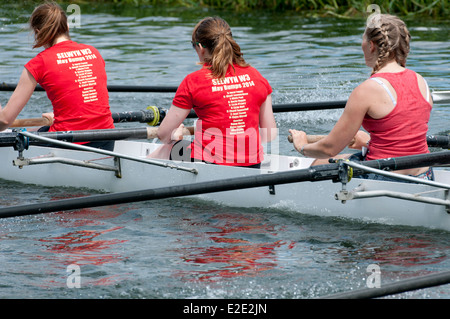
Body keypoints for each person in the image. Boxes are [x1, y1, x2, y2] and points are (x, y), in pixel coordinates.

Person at [289, 14, 434, 181]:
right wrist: (369, 141)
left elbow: (329, 148)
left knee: (318, 164)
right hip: (425, 174)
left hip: (385, 177)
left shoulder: (367, 90)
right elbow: (403, 133)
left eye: (363, 39)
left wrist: (302, 146)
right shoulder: (421, 81)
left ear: (371, 45)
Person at [151, 16, 277, 168]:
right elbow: (269, 135)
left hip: (209, 166)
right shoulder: (257, 76)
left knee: (168, 148)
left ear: (201, 47)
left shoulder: (193, 81)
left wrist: (175, 136)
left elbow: (163, 135)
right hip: (252, 166)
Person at [0, 1, 115, 150]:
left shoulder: (39, 63)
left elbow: (4, 121)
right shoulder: (93, 52)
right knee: (41, 130)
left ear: (37, 32)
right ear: (66, 27)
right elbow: (82, 99)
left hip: (69, 144)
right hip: (107, 140)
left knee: (22, 136)